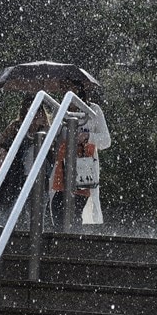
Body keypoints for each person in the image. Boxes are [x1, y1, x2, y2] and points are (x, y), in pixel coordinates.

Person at [49, 87, 111, 229]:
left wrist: (88, 137)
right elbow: (52, 135)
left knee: (75, 209)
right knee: (57, 206)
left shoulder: (93, 110)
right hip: (62, 169)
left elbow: (106, 141)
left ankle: (71, 242)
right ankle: (61, 240)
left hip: (84, 168)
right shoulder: (60, 108)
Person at [0, 96, 50, 226]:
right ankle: (2, 238)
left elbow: (53, 153)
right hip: (15, 177)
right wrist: (3, 154)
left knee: (34, 218)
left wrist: (44, 129)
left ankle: (31, 241)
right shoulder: (16, 126)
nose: (35, 116)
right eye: (31, 111)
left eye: (38, 111)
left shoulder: (48, 130)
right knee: (6, 211)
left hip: (39, 179)